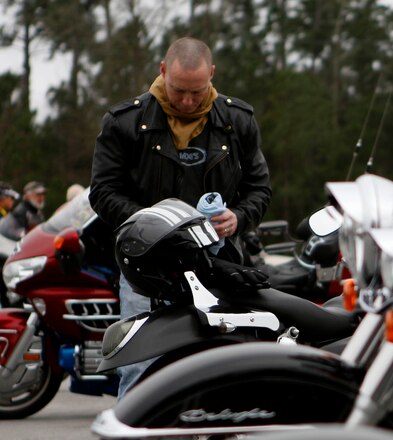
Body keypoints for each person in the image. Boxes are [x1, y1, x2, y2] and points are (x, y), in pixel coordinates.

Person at [89, 36, 271, 399]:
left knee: (223, 367)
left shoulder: (238, 121)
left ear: (212, 75)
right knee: (141, 367)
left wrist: (238, 216)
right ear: (162, 71)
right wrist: (153, 224)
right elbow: (102, 192)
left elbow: (260, 189)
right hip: (147, 268)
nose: (187, 101)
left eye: (197, 92)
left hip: (218, 263)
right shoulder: (124, 123)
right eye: (178, 91)